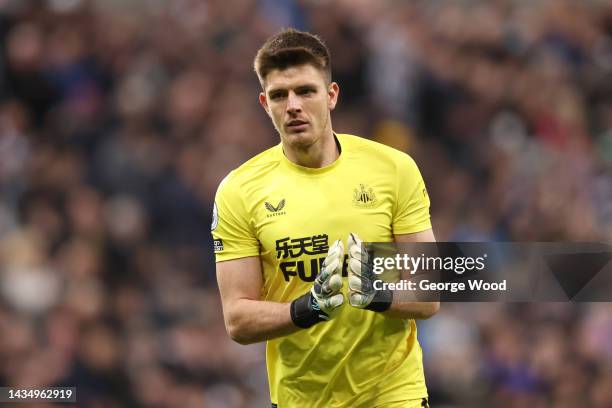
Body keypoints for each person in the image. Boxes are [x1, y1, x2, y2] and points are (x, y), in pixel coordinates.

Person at [212, 28, 439, 408]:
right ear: (264, 103)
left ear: (331, 95)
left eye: (306, 91)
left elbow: (430, 293)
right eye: (280, 96)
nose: (293, 106)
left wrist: (377, 294)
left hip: (393, 392)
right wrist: (306, 309)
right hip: (301, 397)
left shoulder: (393, 169)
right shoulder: (239, 191)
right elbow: (237, 318)